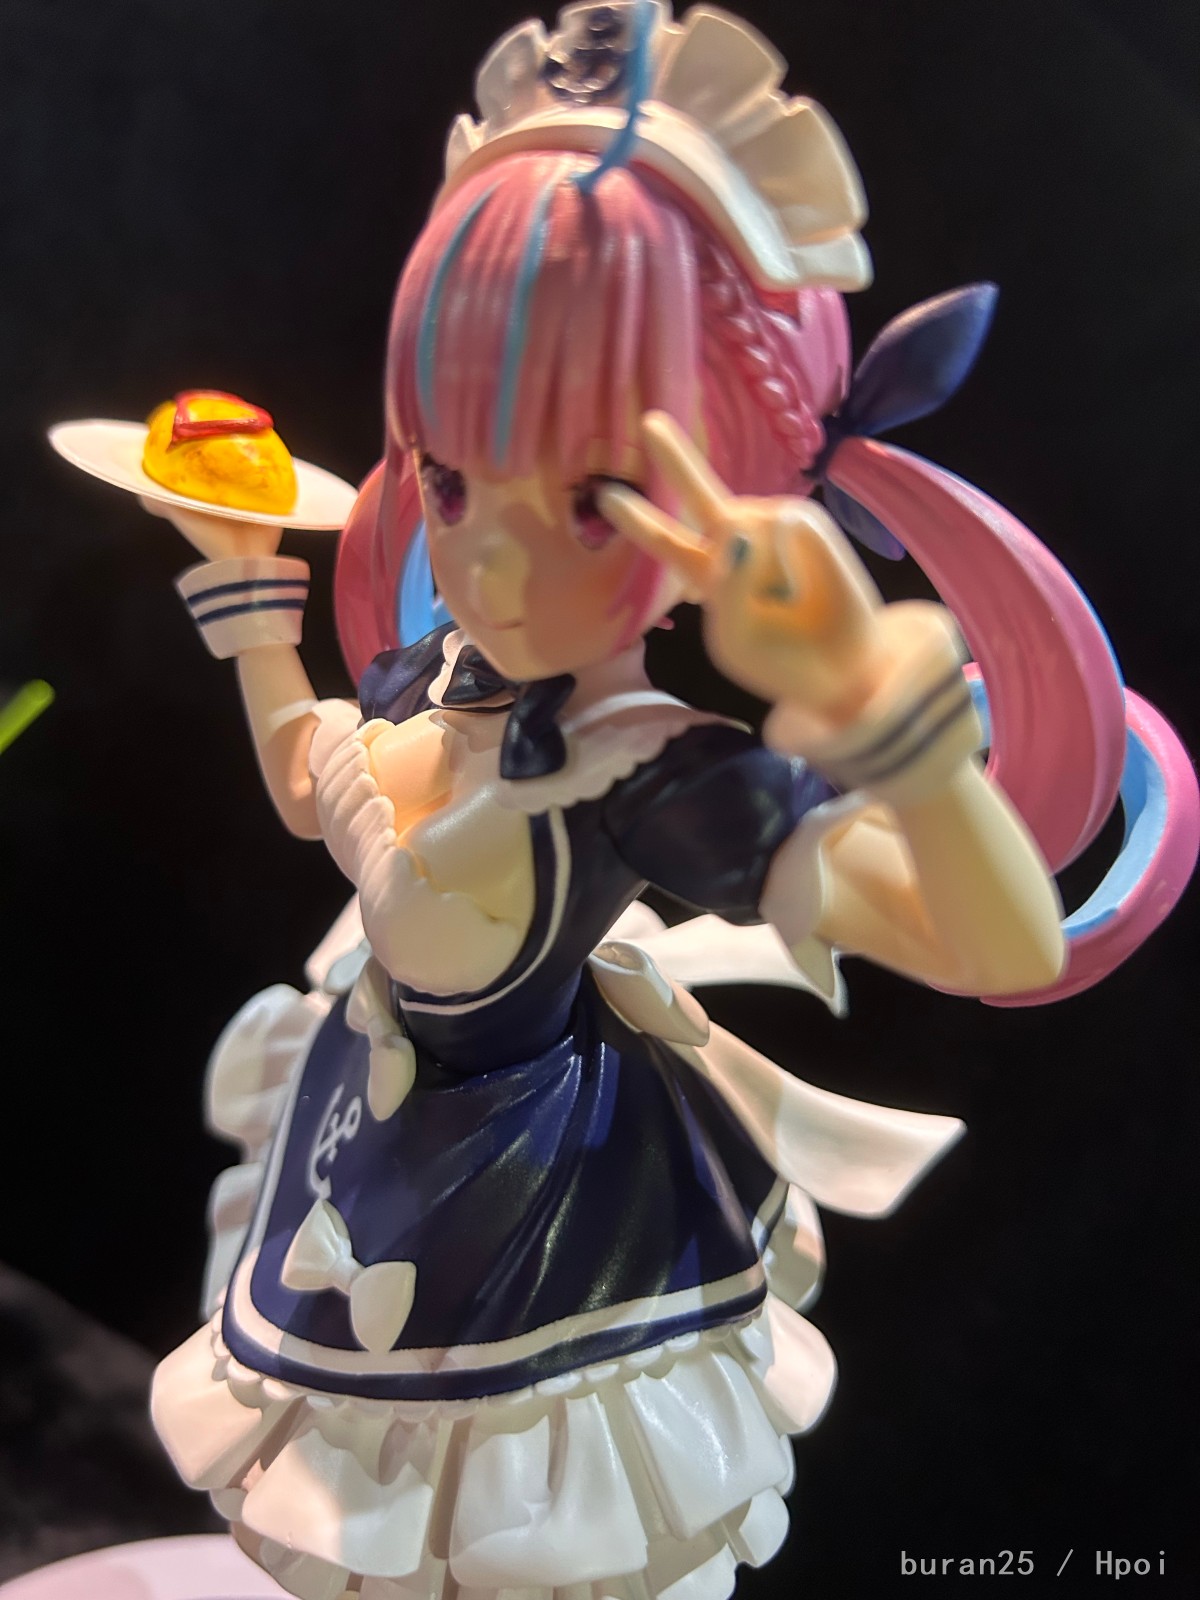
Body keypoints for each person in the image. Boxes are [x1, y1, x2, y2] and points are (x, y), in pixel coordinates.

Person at [144, 7, 1197, 1600]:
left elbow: (997, 945)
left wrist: (895, 730)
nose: (491, 559)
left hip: (538, 1231)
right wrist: (245, 596)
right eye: (451, 479)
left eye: (591, 503)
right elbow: (313, 790)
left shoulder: (649, 772)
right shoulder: (436, 672)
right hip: (372, 1155)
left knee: (519, 1543)